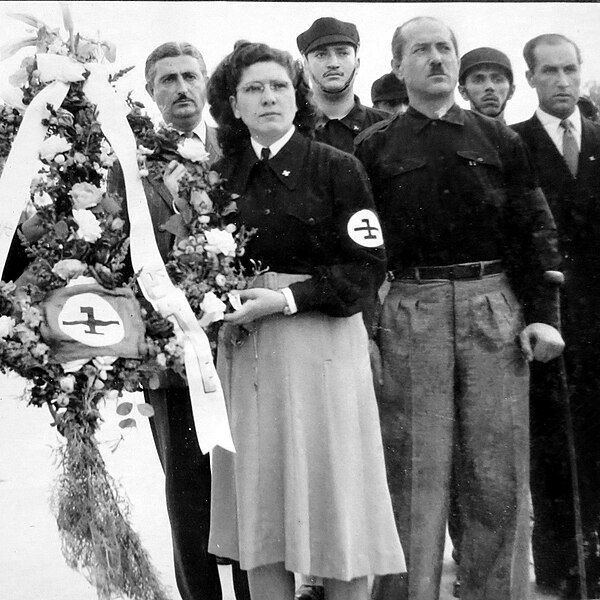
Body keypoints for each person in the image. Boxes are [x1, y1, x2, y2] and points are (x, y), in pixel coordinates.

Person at [355, 17, 564, 600]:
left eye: (445, 48)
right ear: (398, 66)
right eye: (421, 51)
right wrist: (368, 330)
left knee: (496, 475)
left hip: (492, 308)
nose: (437, 60)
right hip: (410, 312)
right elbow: (363, 249)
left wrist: (543, 313)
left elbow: (534, 228)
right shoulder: (373, 147)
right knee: (413, 475)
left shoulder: (499, 139)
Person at [206, 40, 405, 600]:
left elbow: (367, 268)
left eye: (277, 86)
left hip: (323, 344)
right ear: (233, 103)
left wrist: (288, 300)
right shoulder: (219, 177)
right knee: (260, 506)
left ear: (296, 97)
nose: (268, 97)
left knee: (336, 495)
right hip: (246, 351)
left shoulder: (338, 168)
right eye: (253, 88)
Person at [107, 41, 250, 600]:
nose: (181, 88)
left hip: (243, 346)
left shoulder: (237, 151)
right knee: (187, 494)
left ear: (208, 82)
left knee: (245, 486)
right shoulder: (130, 165)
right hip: (171, 359)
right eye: (166, 80)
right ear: (150, 93)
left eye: (191, 75)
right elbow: (117, 257)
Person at [512, 33, 600, 599]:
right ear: (532, 79)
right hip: (548, 317)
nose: (563, 81)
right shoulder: (512, 143)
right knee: (550, 444)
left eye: (571, 70)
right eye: (550, 72)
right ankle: (560, 566)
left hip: (599, 316)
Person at [296, 17, 388, 154]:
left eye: (343, 53)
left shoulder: (389, 127)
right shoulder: (289, 129)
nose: (333, 63)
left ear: (357, 63)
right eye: (321, 54)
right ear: (306, 66)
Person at [458, 47, 515, 123]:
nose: (489, 87)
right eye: (478, 81)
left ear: (511, 91)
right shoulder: (446, 134)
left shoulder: (525, 134)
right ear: (463, 92)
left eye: (498, 80)